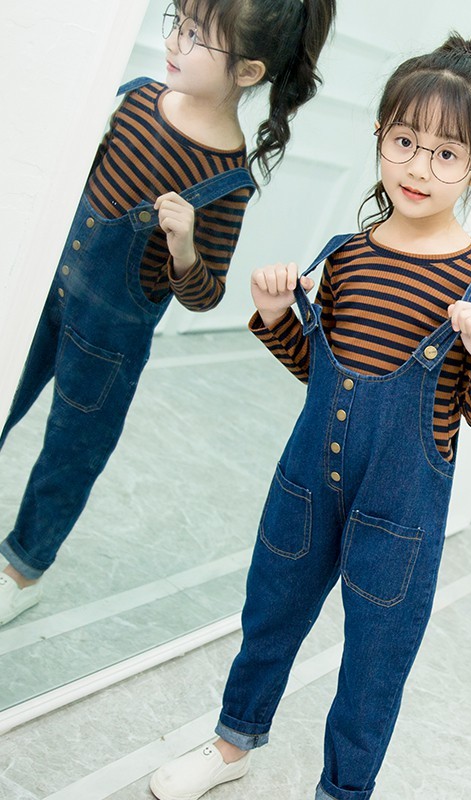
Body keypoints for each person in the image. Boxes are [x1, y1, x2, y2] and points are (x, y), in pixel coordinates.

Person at [150, 31, 471, 800]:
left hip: (399, 513)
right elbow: (321, 376)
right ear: (379, 136)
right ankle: (232, 743)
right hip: (307, 484)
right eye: (405, 142)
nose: (419, 167)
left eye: (446, 154)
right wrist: (274, 315)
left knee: (375, 662)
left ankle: (343, 792)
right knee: (270, 616)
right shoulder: (346, 256)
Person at [0, 0, 337, 627]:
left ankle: (23, 569)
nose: (176, 42)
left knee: (71, 452)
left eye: (197, 36)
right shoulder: (133, 100)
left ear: (247, 71)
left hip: (109, 341)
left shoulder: (226, 179)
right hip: (44, 292)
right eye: (177, 23)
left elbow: (205, 294)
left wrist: (183, 246)